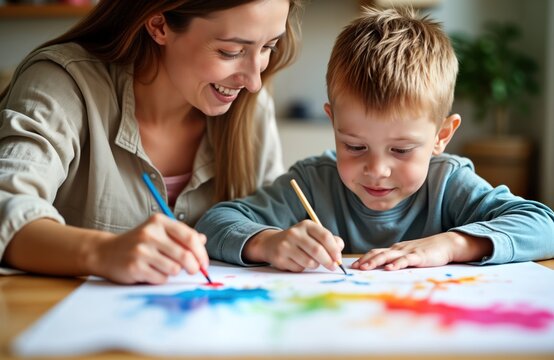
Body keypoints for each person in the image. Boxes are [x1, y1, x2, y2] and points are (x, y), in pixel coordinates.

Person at [195, 7, 554, 273]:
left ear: (441, 136)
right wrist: (268, 242)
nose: (377, 170)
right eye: (355, 146)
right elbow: (216, 222)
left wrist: (452, 244)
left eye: (400, 150)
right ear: (333, 123)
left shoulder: (448, 182)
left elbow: (543, 225)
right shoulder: (312, 181)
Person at [0, 0, 302, 284]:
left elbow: (267, 215)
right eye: (231, 51)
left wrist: (270, 239)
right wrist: (102, 252)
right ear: (159, 26)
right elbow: (8, 208)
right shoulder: (64, 82)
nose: (253, 81)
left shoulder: (250, 106)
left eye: (269, 47)